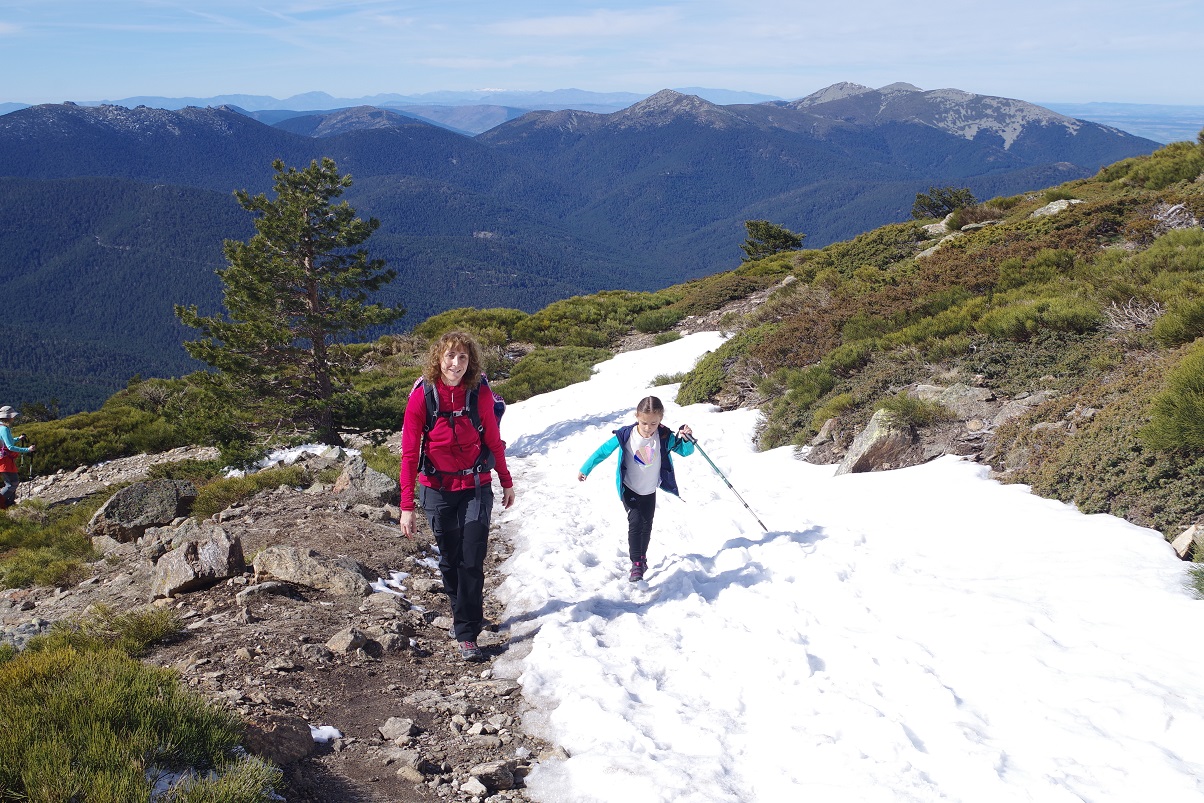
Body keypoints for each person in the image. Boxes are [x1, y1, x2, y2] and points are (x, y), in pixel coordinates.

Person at [399, 332, 515, 662]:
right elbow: (410, 454)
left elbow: (493, 440)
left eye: (463, 357)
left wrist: (505, 480)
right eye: (450, 356)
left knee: (472, 558)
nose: (456, 363)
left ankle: (467, 633)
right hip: (436, 489)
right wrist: (406, 505)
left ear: (470, 361)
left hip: (476, 486)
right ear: (438, 359)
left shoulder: (479, 393)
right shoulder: (423, 397)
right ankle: (462, 612)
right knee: (451, 559)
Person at [578, 396, 694, 582]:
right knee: (636, 522)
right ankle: (636, 563)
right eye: (644, 423)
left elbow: (685, 451)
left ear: (660, 419)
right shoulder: (626, 435)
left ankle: (642, 558)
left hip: (649, 490)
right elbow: (603, 451)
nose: (648, 428)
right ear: (637, 417)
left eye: (653, 423)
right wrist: (586, 469)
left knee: (647, 525)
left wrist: (687, 439)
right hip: (630, 488)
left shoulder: (664, 436)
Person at [0, 406, 34, 510]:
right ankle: (2, 503)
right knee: (12, 484)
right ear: (8, 417)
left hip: (3, 460)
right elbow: (10, 446)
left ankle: (7, 505)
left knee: (10, 483)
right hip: (5, 461)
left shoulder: (1, 427)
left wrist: (18, 439)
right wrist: (27, 449)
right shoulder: (4, 429)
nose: (14, 418)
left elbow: (7, 442)